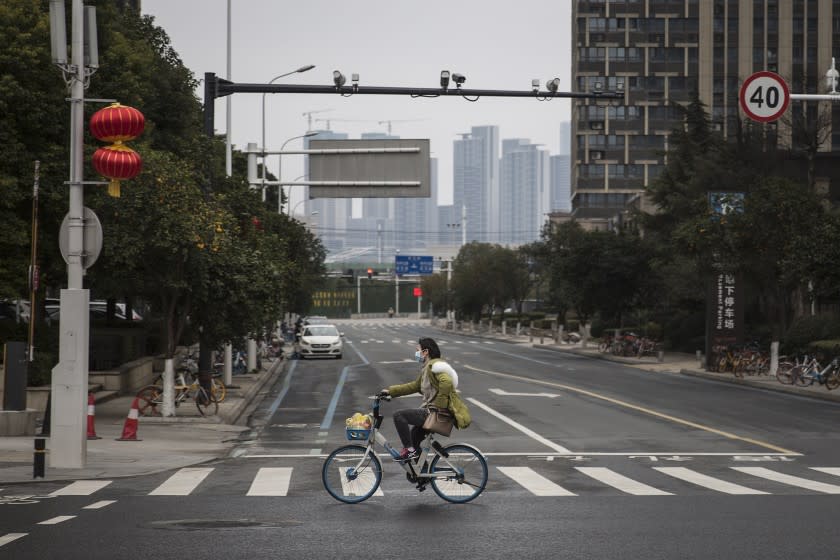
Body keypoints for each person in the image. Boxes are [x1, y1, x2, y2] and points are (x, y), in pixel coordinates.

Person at [380, 337, 471, 462]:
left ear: (425, 352)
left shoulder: (435, 366)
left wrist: (439, 405)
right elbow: (414, 386)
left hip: (434, 413)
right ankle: (422, 475)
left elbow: (447, 382)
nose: (416, 353)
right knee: (413, 439)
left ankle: (409, 450)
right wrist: (390, 391)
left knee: (399, 415)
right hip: (431, 411)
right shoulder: (427, 367)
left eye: (418, 350)